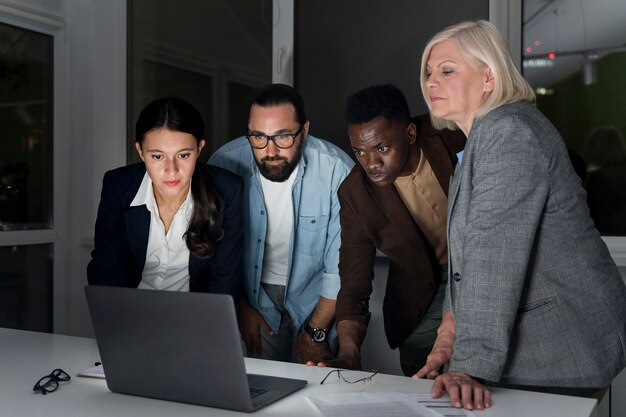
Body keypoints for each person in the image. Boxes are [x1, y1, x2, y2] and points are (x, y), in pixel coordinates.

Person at [415, 20, 626, 410]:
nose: (431, 82)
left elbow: (494, 255)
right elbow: (468, 259)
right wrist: (450, 331)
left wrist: (471, 366)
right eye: (428, 72)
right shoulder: (487, 135)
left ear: (489, 78)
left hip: (562, 345)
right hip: (548, 340)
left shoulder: (508, 132)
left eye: (447, 70)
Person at [306, 84, 465, 376]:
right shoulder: (355, 195)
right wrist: (349, 354)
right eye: (359, 152)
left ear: (410, 134)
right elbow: (354, 286)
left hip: (484, 266)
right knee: (424, 377)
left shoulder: (450, 132)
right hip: (423, 289)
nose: (371, 164)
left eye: (381, 148)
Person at [208, 84, 354, 364]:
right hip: (252, 294)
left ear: (305, 130)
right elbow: (215, 249)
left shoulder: (338, 170)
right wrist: (238, 306)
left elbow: (341, 267)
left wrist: (317, 331)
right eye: (258, 137)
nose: (270, 150)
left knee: (321, 389)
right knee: (261, 389)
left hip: (319, 296)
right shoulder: (224, 163)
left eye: (284, 136)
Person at [88, 97, 243, 298]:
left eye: (183, 155)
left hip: (199, 316)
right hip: (128, 312)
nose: (172, 171)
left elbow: (225, 278)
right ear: (140, 152)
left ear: (199, 149)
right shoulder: (117, 186)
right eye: (158, 156)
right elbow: (106, 267)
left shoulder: (228, 189)